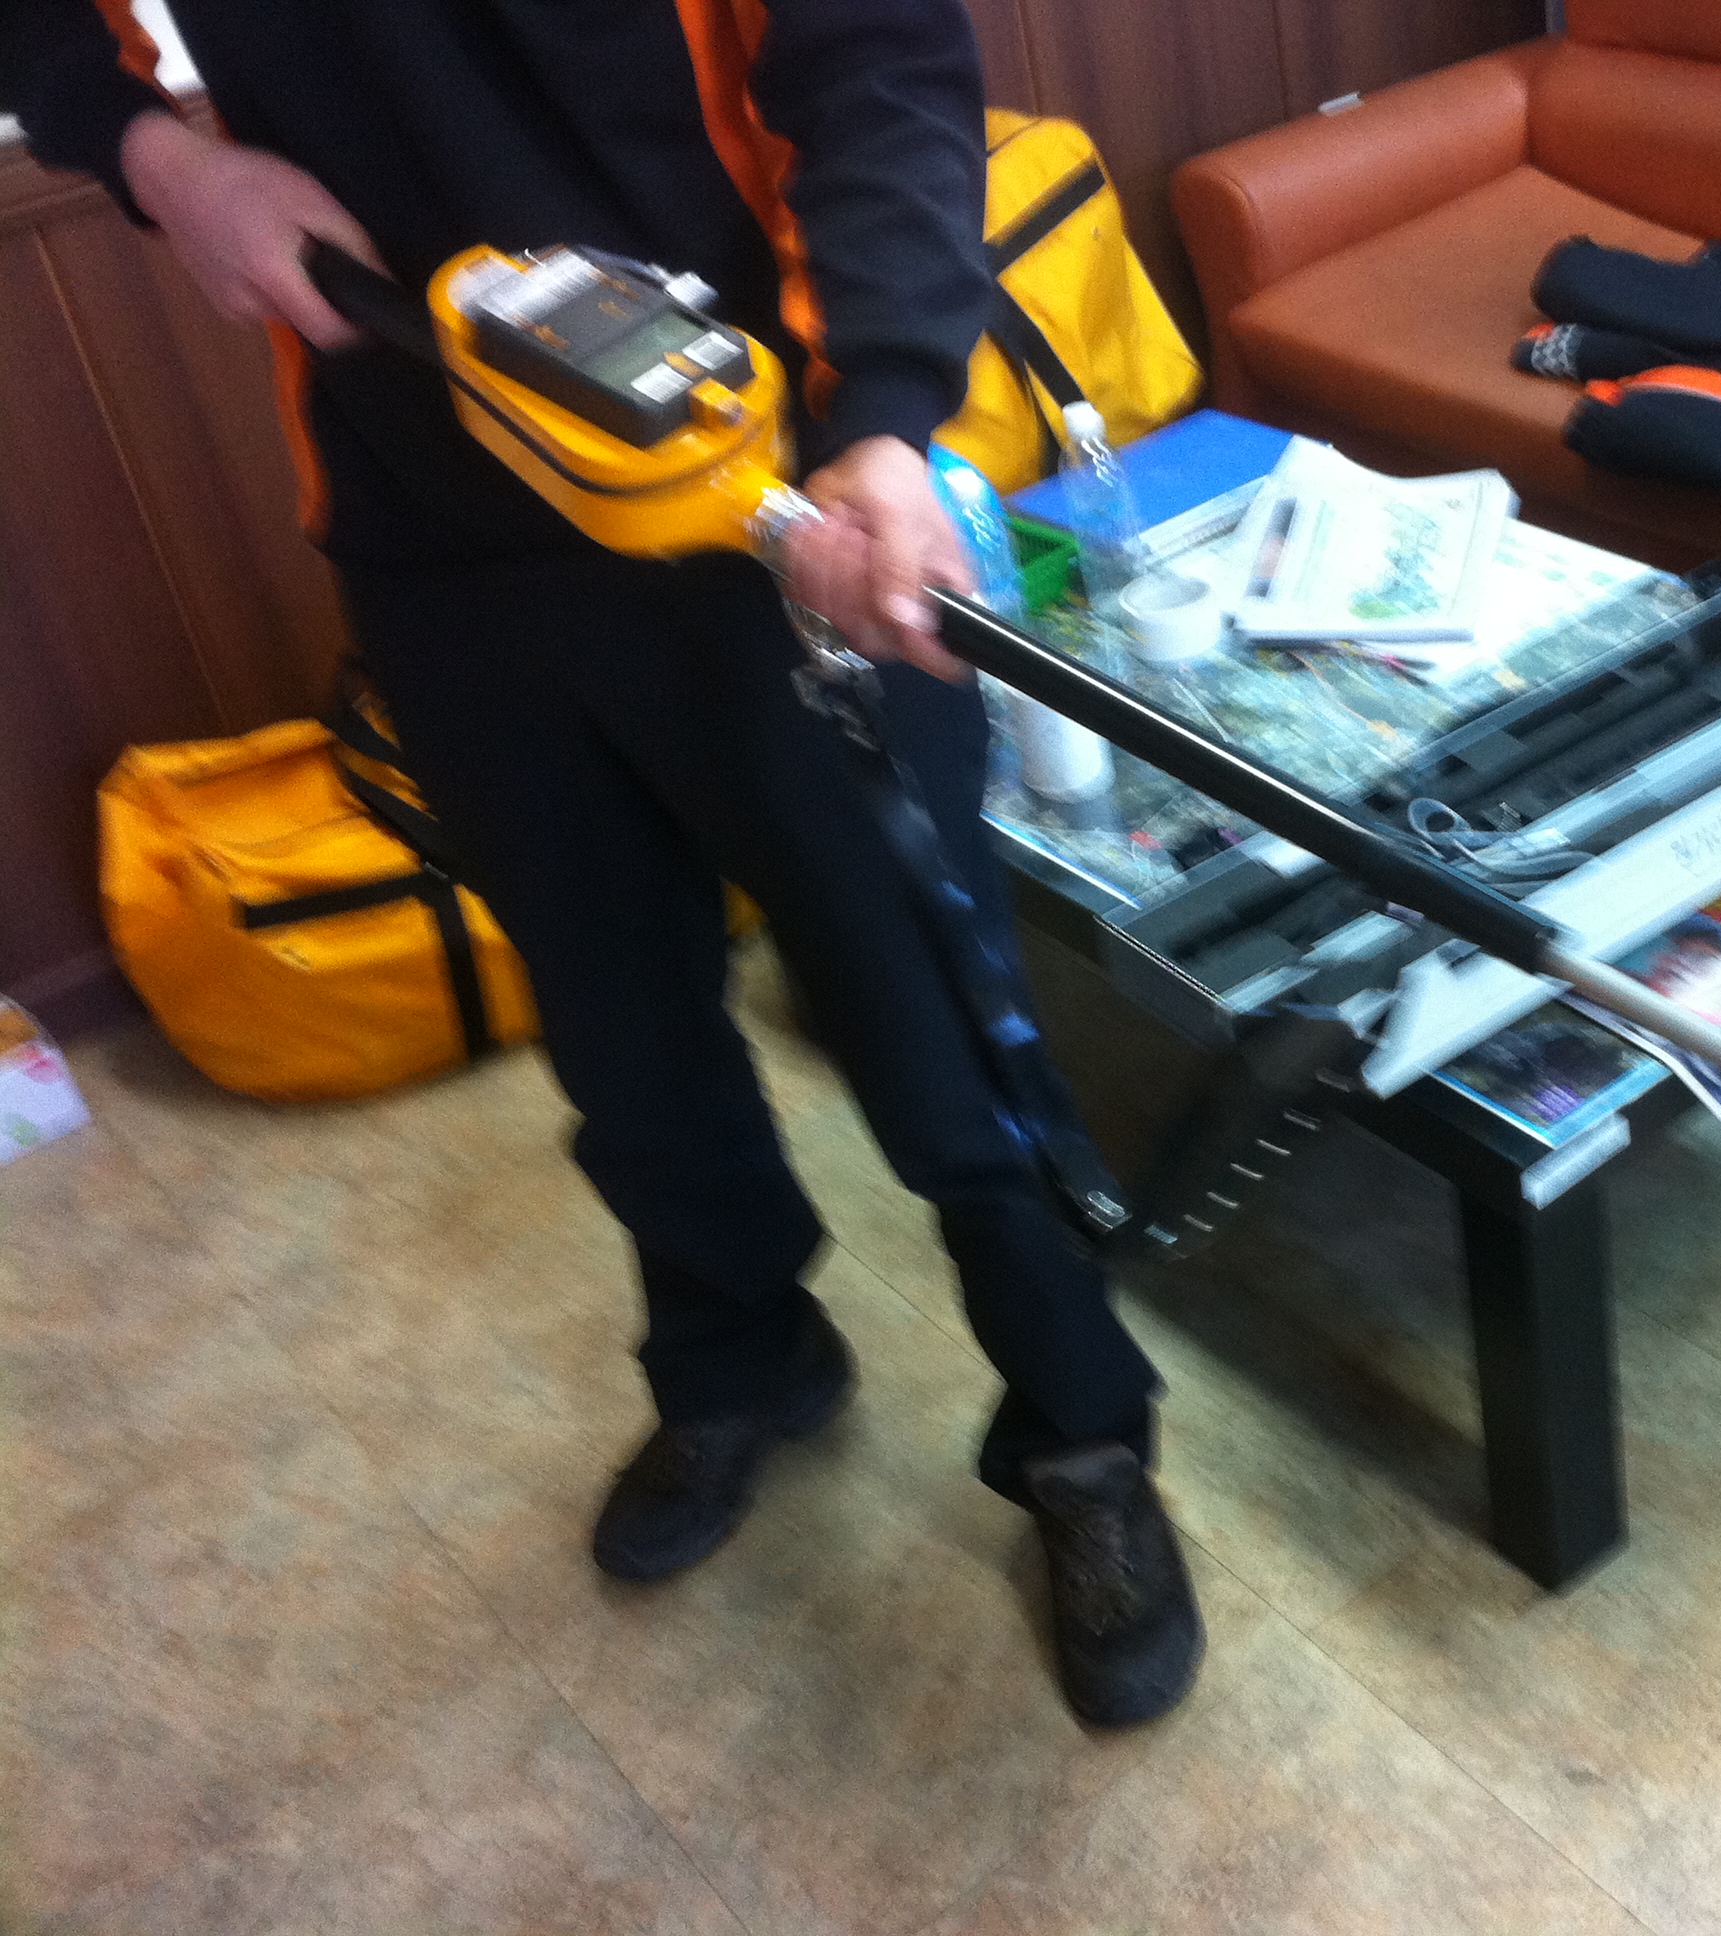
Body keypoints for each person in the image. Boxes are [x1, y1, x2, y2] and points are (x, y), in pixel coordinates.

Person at [0, 0, 1201, 1728]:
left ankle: (1083, 1434)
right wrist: (157, 156)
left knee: (939, 1037)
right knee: (619, 1028)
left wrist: (881, 412)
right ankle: (739, 1353)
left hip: (764, 492)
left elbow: (874, 57)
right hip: (430, 518)